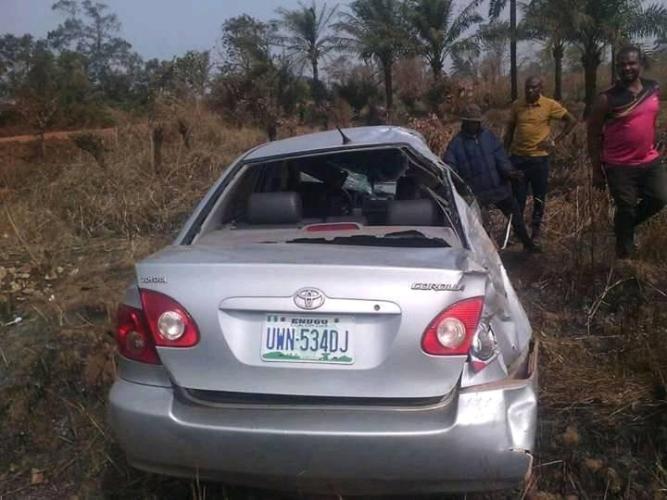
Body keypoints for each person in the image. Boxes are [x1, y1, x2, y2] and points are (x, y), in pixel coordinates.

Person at [587, 46, 666, 259]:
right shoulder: (607, 98)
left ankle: (623, 229)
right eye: (621, 64)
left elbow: (651, 117)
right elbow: (593, 134)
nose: (627, 68)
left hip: (649, 160)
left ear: (640, 64)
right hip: (619, 165)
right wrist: (597, 170)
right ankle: (625, 254)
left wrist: (655, 138)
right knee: (627, 207)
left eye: (631, 63)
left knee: (660, 198)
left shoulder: (653, 88)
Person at [444, 104, 540, 253]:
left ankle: (527, 243)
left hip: (498, 187)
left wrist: (510, 172)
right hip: (476, 194)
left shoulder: (488, 137)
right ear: (465, 122)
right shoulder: (456, 144)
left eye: (477, 121)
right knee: (480, 225)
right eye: (472, 122)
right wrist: (459, 186)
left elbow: (501, 158)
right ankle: (488, 253)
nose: (476, 124)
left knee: (515, 216)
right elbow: (450, 167)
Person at [504, 76, 577, 241]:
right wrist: (504, 155)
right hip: (518, 159)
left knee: (539, 198)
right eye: (527, 88)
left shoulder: (549, 105)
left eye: (534, 88)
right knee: (518, 199)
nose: (530, 91)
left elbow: (571, 120)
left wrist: (555, 141)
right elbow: (509, 130)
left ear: (540, 88)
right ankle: (518, 234)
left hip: (539, 161)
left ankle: (535, 232)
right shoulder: (517, 105)